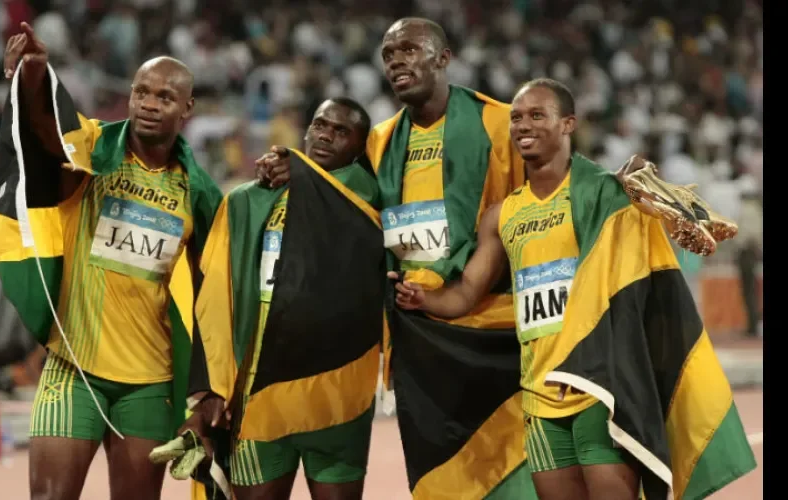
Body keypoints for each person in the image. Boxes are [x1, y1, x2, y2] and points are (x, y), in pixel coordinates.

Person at [392, 78, 756, 500]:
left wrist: (663, 208)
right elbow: (468, 290)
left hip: (599, 388)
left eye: (536, 115)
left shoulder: (604, 194)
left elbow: (641, 255)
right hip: (539, 392)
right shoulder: (503, 215)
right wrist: (425, 299)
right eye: (516, 117)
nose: (523, 125)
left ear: (568, 124)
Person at [258, 18, 537, 498]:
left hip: (494, 333)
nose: (397, 61)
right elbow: (344, 200)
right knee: (438, 479)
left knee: (512, 475)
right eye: (389, 55)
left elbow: (546, 201)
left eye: (410, 49)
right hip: (417, 334)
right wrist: (296, 168)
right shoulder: (380, 140)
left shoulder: (501, 123)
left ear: (443, 58)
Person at [0, 22, 222, 500]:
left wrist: (207, 390)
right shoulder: (96, 147)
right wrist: (34, 75)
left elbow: (213, 294)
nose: (148, 103)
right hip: (72, 365)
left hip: (149, 382)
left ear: (187, 108)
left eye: (164, 96)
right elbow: (46, 141)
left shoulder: (198, 193)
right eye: (141, 91)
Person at [181, 98, 384, 500]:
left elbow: (348, 208)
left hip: (338, 399)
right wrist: (211, 387)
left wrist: (302, 172)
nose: (326, 134)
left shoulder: (369, 200)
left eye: (341, 131)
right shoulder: (251, 199)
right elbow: (217, 294)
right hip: (263, 394)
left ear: (360, 149)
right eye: (320, 124)